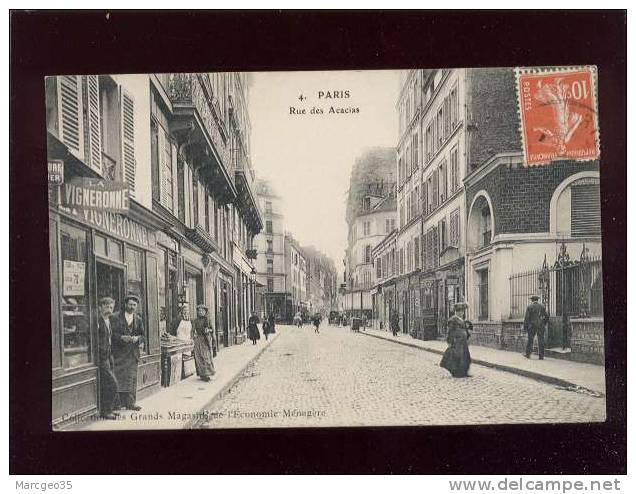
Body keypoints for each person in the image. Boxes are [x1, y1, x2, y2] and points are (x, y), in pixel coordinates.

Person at [111, 293, 145, 411]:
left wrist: (138, 339)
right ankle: (118, 404)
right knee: (118, 379)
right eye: (130, 304)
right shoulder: (115, 317)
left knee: (131, 380)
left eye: (134, 305)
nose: (132, 307)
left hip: (132, 354)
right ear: (125, 304)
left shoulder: (138, 319)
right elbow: (111, 334)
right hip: (119, 354)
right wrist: (121, 338)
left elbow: (143, 335)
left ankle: (131, 403)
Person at [97, 297, 119, 420]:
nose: (109, 309)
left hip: (109, 356)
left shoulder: (108, 320)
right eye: (106, 307)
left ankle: (108, 409)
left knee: (107, 384)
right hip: (102, 357)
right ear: (100, 307)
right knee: (112, 383)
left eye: (111, 307)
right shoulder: (98, 321)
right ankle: (106, 411)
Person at [440, 302, 472, 378]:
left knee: (465, 357)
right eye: (459, 311)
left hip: (463, 342)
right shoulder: (453, 320)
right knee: (457, 357)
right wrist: (450, 341)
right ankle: (456, 373)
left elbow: (465, 330)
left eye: (462, 311)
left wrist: (468, 336)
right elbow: (450, 332)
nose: (461, 313)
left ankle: (464, 372)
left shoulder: (462, 320)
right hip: (456, 342)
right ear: (456, 312)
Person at [191, 305, 215, 381]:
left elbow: (212, 329)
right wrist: (193, 336)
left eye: (202, 311)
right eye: (199, 311)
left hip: (205, 340)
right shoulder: (195, 321)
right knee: (198, 357)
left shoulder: (207, 320)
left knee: (206, 357)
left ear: (205, 312)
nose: (200, 312)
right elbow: (192, 330)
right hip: (198, 340)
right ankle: (202, 374)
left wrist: (209, 330)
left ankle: (207, 373)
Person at [524, 294, 549, 360]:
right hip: (540, 325)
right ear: (537, 300)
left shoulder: (529, 307)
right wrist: (544, 323)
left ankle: (528, 354)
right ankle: (541, 356)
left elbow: (527, 318)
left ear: (532, 300)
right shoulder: (542, 306)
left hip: (532, 326)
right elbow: (547, 316)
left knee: (530, 340)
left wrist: (525, 327)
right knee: (541, 340)